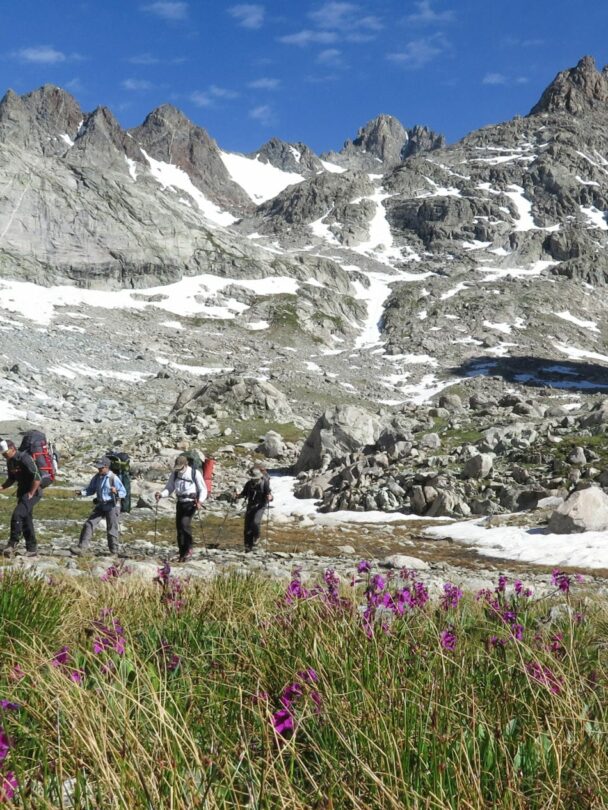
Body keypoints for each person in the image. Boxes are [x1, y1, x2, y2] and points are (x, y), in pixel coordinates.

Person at [155, 455, 207, 562]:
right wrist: (161, 494)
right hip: (180, 503)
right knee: (179, 528)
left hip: (191, 503)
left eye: (180, 467)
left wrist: (200, 501)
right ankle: (182, 553)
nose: (178, 470)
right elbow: (169, 488)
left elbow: (203, 489)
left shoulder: (194, 473)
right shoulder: (174, 474)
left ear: (185, 464)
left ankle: (189, 549)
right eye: (177, 467)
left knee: (184, 524)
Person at [71, 457, 126, 556]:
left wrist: (116, 492)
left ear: (106, 467)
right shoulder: (97, 477)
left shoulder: (113, 478)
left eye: (101, 468)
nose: (99, 469)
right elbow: (91, 489)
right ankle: (82, 547)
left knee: (111, 528)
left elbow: (123, 492)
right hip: (101, 504)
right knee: (89, 523)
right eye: (98, 468)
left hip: (112, 505)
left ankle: (114, 551)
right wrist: (81, 493)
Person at [0, 439, 42, 558]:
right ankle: (32, 549)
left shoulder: (25, 458)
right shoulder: (10, 461)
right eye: (2, 454)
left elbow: (37, 477)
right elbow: (11, 478)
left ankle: (12, 544)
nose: (4, 456)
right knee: (26, 520)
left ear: (13, 449)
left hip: (33, 492)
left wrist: (31, 493)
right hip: (22, 492)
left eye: (5, 453)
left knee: (17, 515)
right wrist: (2, 487)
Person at [234, 464, 272, 552]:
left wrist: (270, 497)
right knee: (247, 527)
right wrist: (237, 496)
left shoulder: (264, 483)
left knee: (255, 522)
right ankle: (247, 547)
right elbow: (244, 494)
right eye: (253, 478)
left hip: (260, 506)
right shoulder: (249, 484)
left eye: (256, 478)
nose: (254, 480)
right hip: (251, 505)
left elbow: (269, 495)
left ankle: (257, 536)